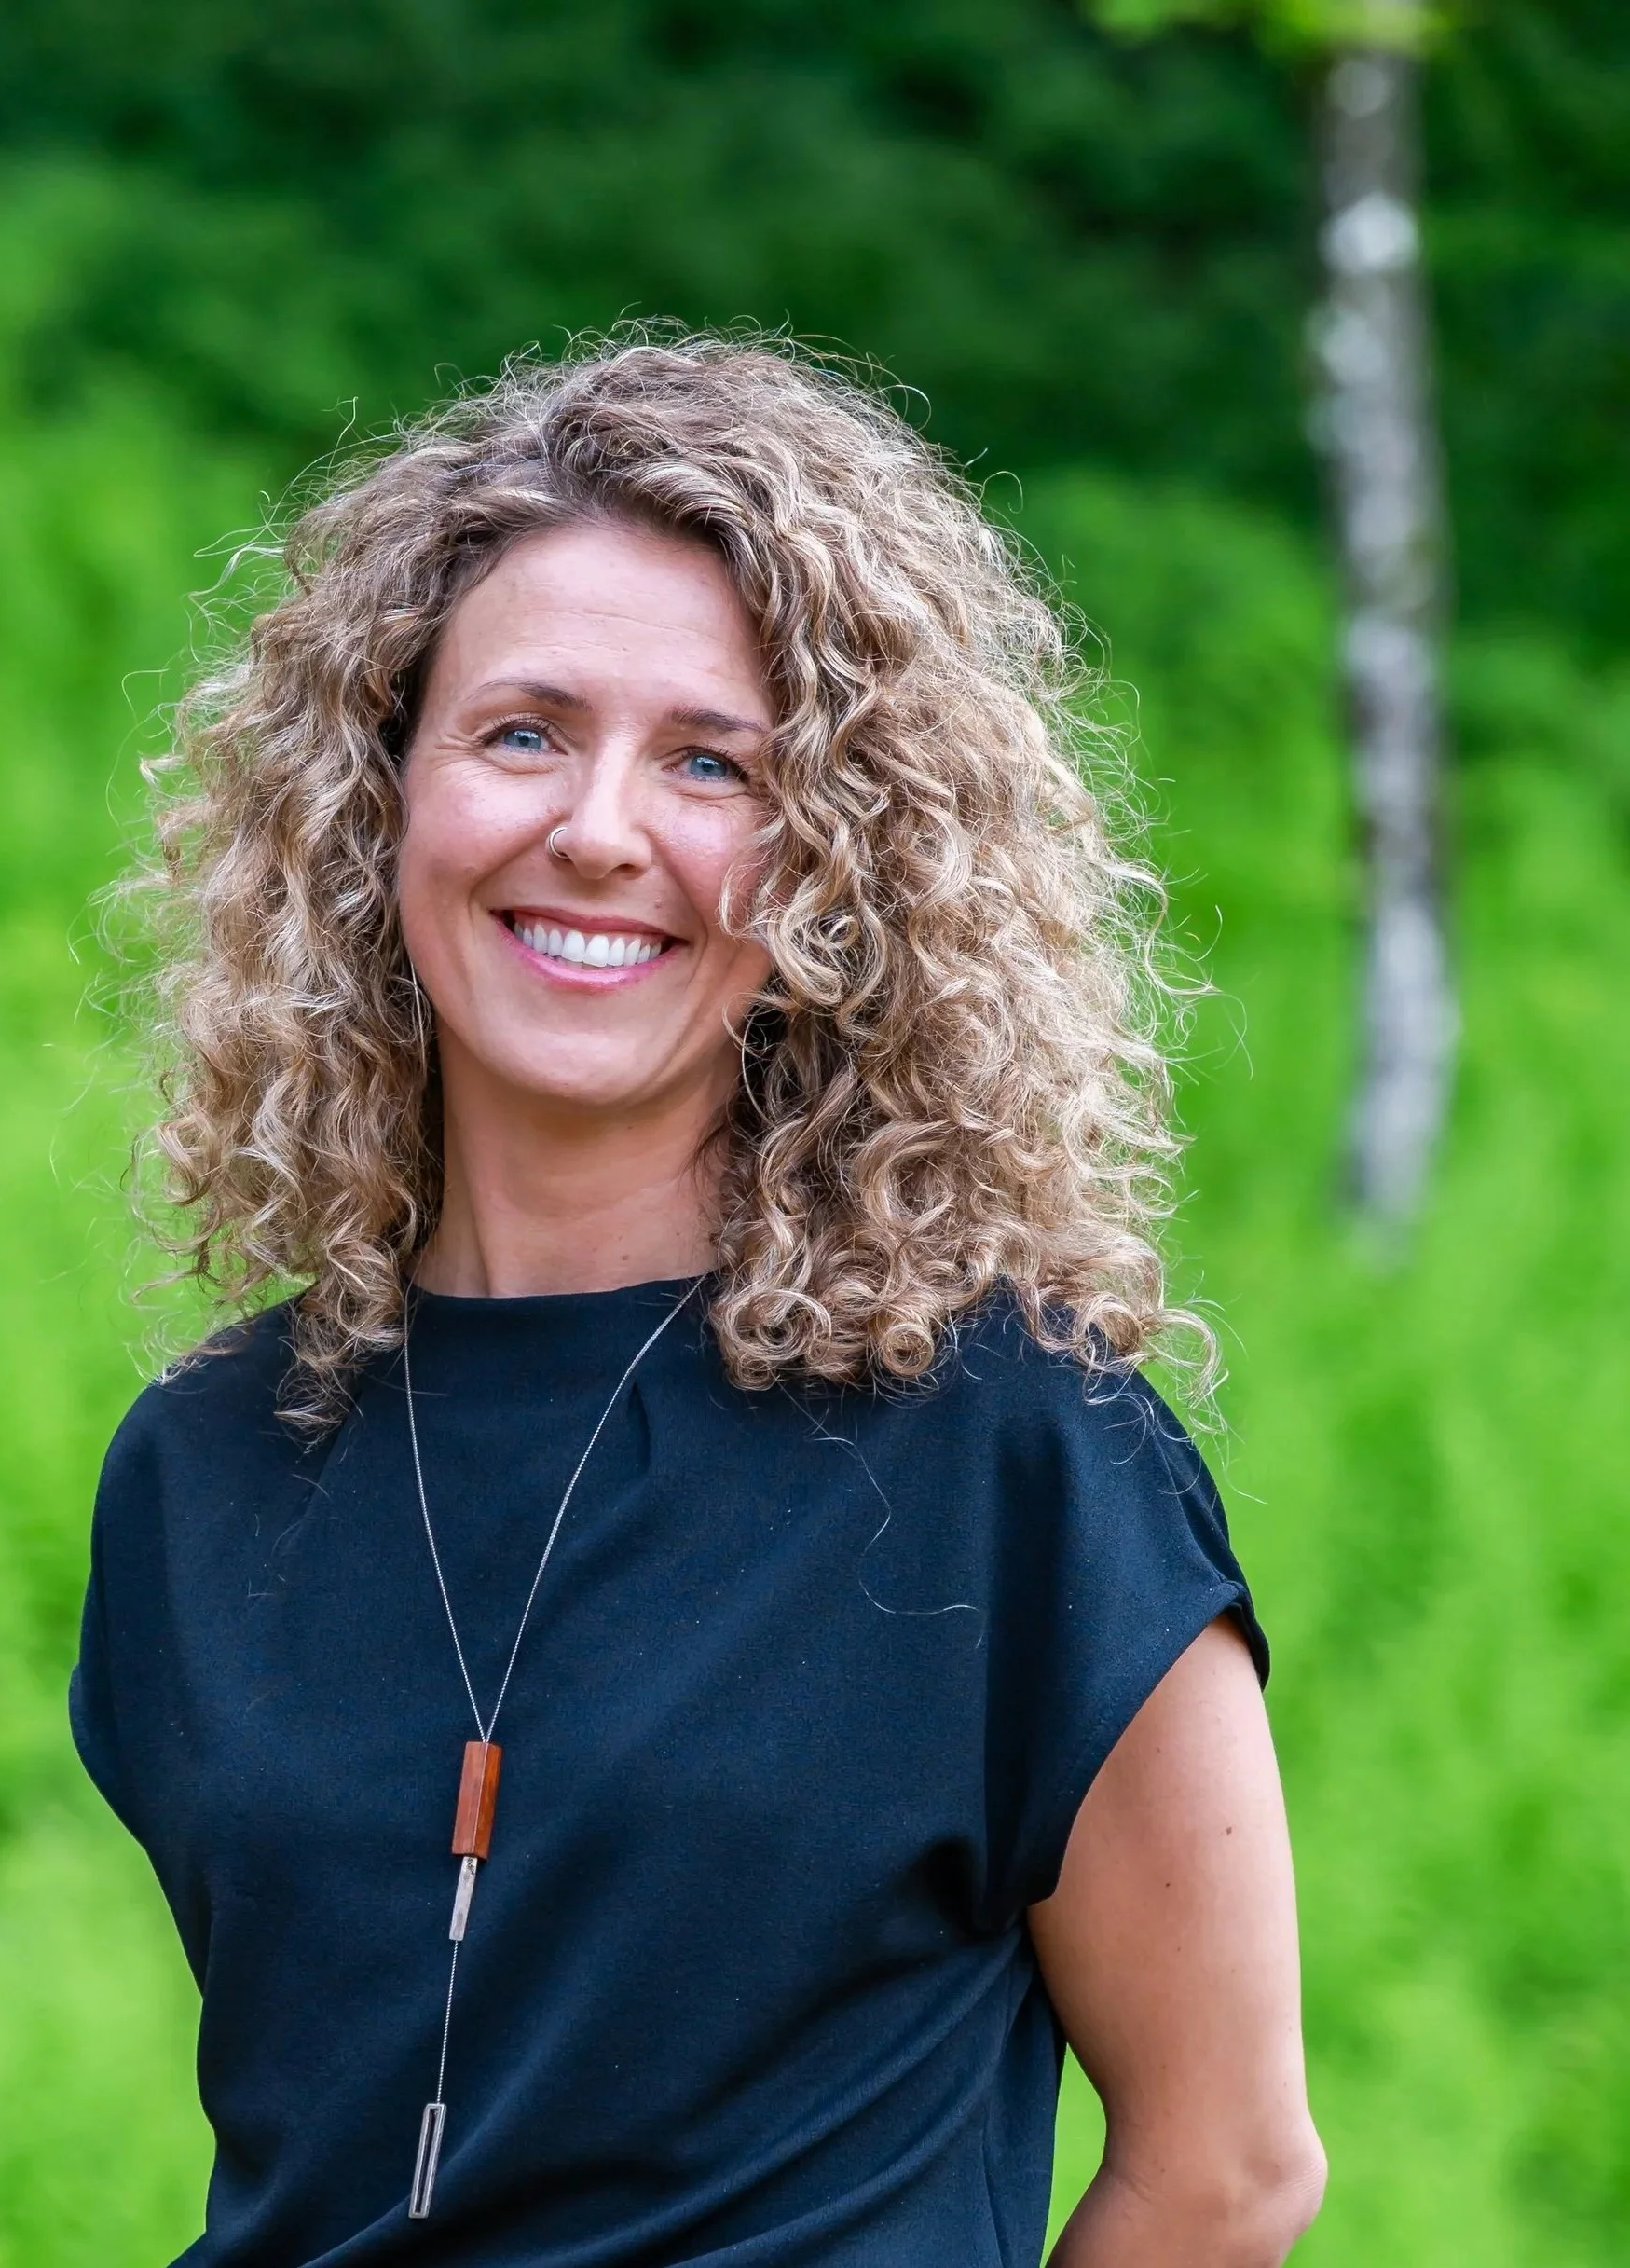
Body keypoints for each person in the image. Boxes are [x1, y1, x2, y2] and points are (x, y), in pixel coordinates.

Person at [71, 334, 1325, 2266]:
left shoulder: (1015, 1455)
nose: (595, 826)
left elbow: (1226, 2172)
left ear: (839, 862)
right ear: (373, 796)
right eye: (517, 731)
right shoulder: (209, 1473)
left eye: (710, 762)